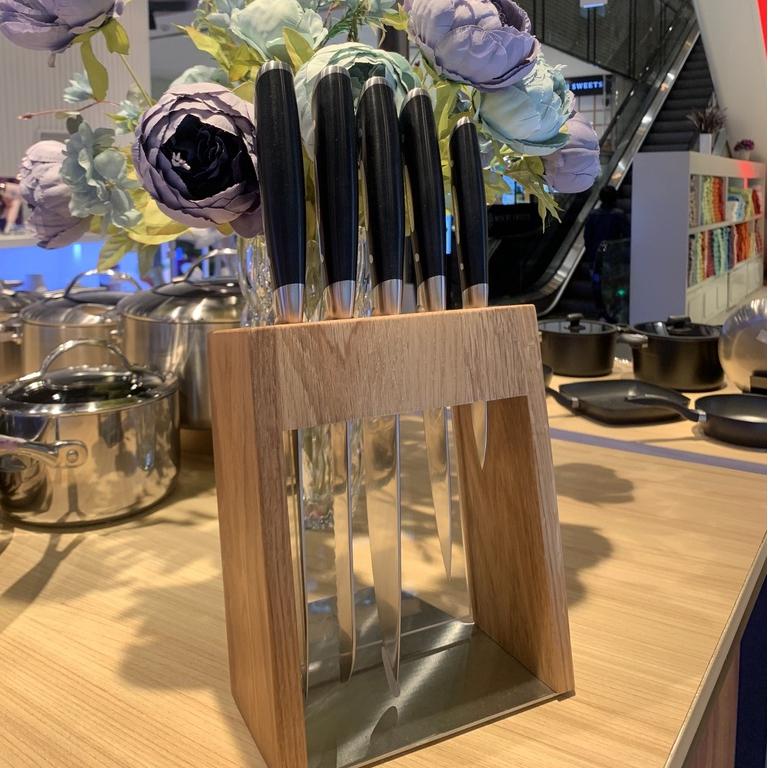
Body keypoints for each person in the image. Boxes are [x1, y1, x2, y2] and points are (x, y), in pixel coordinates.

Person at [583, 185, 629, 271]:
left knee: (597, 275)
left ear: (600, 198)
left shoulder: (593, 215)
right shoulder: (619, 215)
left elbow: (587, 236)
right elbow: (626, 235)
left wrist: (590, 253)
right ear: (615, 198)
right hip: (613, 253)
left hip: (595, 253)